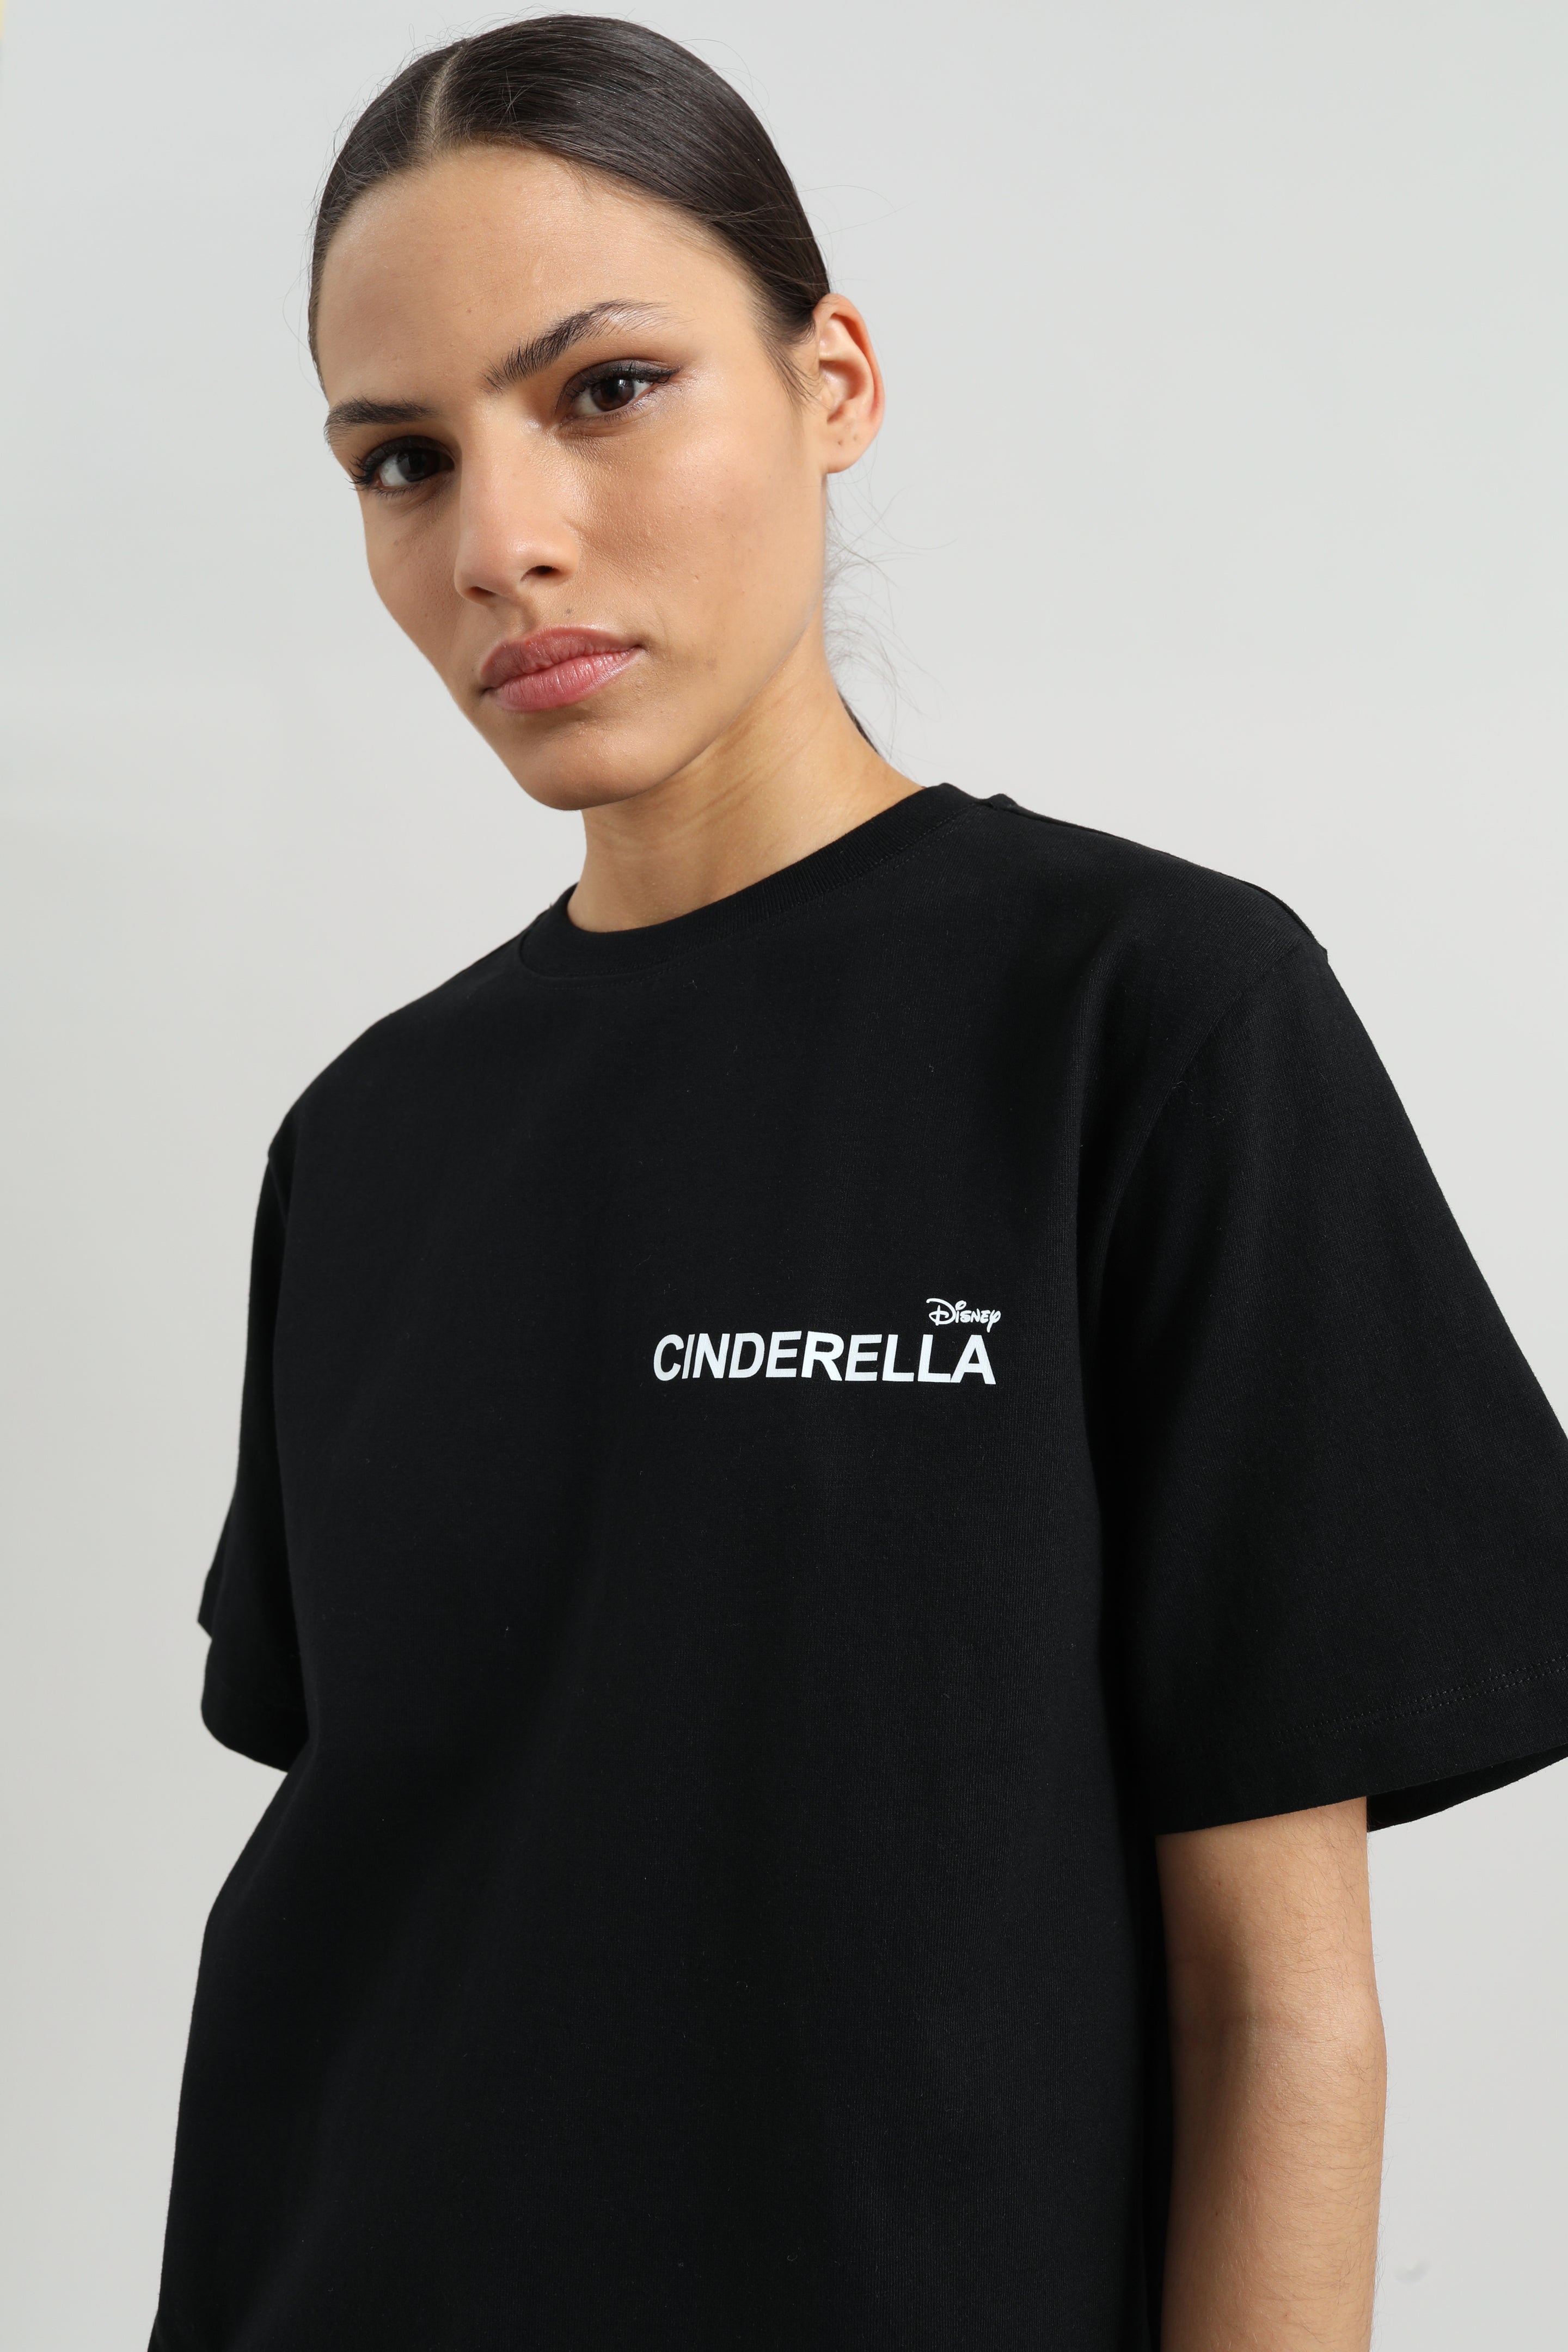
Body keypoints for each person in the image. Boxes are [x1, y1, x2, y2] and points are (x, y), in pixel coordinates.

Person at [150, 18, 1568, 2351]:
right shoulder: (368, 1138)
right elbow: (428, 1920)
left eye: (606, 388)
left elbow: (1281, 2009)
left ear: (834, 384)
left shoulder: (1150, 1023)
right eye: (403, 459)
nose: (499, 540)